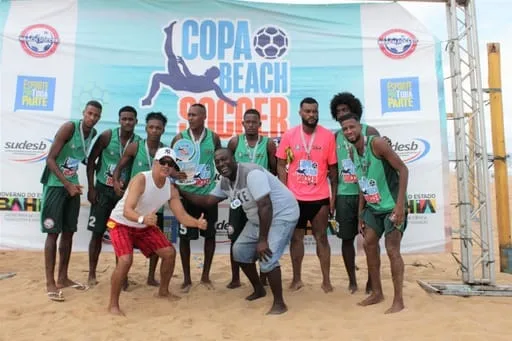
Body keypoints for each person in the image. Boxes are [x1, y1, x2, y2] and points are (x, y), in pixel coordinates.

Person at [179, 148, 299, 315]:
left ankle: (280, 303)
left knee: (267, 257)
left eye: (224, 159)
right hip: (258, 219)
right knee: (239, 251)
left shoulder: (251, 173)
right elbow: (207, 201)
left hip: (281, 215)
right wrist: (179, 191)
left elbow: (266, 205)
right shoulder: (226, 182)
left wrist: (262, 240)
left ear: (234, 159)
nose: (222, 164)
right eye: (218, 162)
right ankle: (259, 289)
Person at [107, 147, 208, 316]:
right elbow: (127, 211)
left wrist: (197, 223)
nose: (166, 166)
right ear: (155, 162)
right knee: (125, 260)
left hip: (143, 225)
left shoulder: (171, 188)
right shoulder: (141, 179)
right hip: (120, 223)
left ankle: (163, 291)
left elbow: (182, 216)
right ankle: (113, 305)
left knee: (169, 253)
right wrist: (142, 219)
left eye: (170, 163)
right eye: (163, 162)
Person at [340, 113, 408, 314]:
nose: (349, 131)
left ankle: (399, 300)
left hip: (391, 206)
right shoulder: (352, 153)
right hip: (373, 208)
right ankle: (377, 292)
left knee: (392, 250)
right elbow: (362, 183)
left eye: (352, 127)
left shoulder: (376, 144)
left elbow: (403, 170)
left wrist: (400, 205)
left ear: (360, 127)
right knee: (369, 243)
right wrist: (361, 213)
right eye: (345, 129)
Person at [40, 100, 102, 302]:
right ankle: (50, 282)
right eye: (90, 113)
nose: (92, 118)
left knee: (69, 233)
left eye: (96, 115)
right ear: (83, 112)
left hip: (73, 187)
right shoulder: (69, 127)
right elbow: (50, 159)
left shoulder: (92, 133)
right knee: (53, 234)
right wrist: (66, 183)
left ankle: (63, 277)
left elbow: (80, 156)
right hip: (56, 186)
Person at [276, 97, 338, 293]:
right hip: (295, 198)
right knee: (296, 239)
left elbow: (333, 170)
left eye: (315, 111)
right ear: (300, 113)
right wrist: (285, 191)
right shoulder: (290, 135)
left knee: (322, 238)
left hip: (319, 198)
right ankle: (297, 279)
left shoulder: (327, 136)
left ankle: (326, 281)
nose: (312, 115)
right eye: (308, 111)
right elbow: (280, 163)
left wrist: (333, 197)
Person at [329, 92, 383, 294]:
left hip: (369, 195)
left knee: (371, 239)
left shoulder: (370, 131)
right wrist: (333, 198)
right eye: (339, 111)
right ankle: (352, 280)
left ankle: (372, 280)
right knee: (346, 239)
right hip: (345, 194)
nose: (342, 113)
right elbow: (333, 170)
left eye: (346, 110)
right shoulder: (335, 136)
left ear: (355, 112)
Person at [86, 106, 141, 286]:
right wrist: (91, 188)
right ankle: (92, 274)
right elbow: (91, 162)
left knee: (122, 236)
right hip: (103, 190)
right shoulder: (107, 136)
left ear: (136, 121)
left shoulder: (138, 142)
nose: (127, 122)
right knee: (97, 233)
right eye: (124, 118)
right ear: (119, 120)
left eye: (130, 119)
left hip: (123, 195)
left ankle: (121, 276)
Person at [112, 112, 167, 288]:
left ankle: (151, 276)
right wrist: (116, 182)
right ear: (146, 128)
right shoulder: (135, 147)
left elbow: (171, 174)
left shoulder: (165, 152)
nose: (154, 130)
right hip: (134, 206)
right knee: (123, 246)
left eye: (158, 127)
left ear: (163, 130)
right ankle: (124, 279)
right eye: (151, 127)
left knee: (158, 243)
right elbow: (119, 168)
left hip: (154, 206)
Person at [171, 103, 221, 292]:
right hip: (186, 196)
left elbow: (219, 161)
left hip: (207, 196)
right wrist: (176, 178)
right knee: (185, 238)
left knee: (210, 236)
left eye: (194, 115)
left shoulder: (213, 138)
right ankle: (186, 279)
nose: (190, 118)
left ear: (204, 116)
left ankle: (206, 276)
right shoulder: (180, 138)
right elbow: (170, 164)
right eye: (188, 115)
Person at [226, 108, 277, 289]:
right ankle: (235, 278)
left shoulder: (269, 144)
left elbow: (274, 170)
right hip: (239, 198)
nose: (251, 125)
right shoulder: (234, 142)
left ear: (260, 124)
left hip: (259, 199)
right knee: (235, 237)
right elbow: (227, 166)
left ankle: (263, 278)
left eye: (254, 122)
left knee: (262, 238)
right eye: (247, 122)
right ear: (242, 124)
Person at [140, 20, 237, 107]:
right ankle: (168, 33)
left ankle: (149, 98)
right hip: (180, 80)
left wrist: (183, 64)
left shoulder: (209, 83)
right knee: (169, 57)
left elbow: (189, 76)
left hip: (179, 82)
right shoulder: (210, 84)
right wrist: (231, 102)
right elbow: (222, 96)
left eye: (209, 70)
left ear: (212, 74)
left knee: (164, 65)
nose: (206, 70)